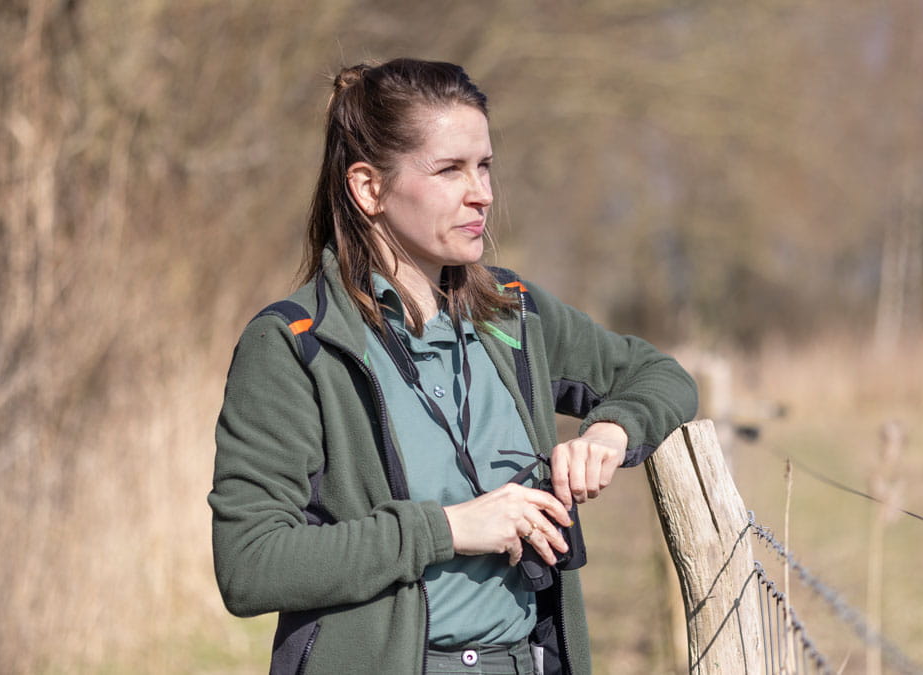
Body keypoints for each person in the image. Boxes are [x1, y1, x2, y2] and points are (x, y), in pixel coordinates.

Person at [209, 58, 698, 675]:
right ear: (369, 189)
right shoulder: (294, 345)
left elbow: (662, 376)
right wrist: (448, 529)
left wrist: (609, 431)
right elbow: (252, 565)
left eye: (485, 165)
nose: (483, 193)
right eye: (450, 170)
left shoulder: (512, 314)